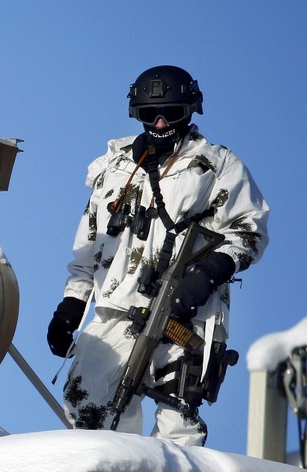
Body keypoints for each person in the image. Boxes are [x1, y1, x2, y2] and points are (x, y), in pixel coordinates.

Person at [47, 65, 269, 446]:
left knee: (178, 423)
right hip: (116, 308)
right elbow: (88, 248)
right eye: (151, 114)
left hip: (188, 313)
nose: (162, 121)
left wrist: (205, 276)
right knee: (86, 411)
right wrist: (70, 307)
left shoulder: (216, 165)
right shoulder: (112, 169)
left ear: (191, 111)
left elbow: (250, 229)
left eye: (172, 113)